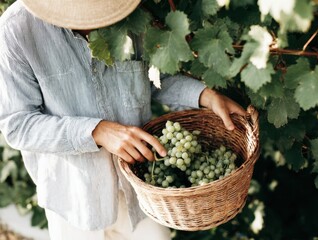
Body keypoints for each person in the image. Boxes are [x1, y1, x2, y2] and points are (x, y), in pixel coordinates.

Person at [0, 0, 247, 239]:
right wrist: (96, 131)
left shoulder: (133, 15)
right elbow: (17, 124)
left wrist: (204, 95)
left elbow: (154, 77)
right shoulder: (17, 29)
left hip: (142, 189)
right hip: (75, 198)